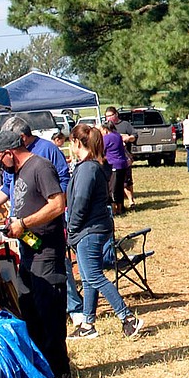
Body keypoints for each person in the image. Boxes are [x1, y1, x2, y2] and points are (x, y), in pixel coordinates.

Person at [0, 130, 70, 378]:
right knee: (29, 308)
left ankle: (60, 368)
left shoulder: (41, 167)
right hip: (28, 251)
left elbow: (57, 205)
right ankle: (42, 367)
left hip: (46, 251)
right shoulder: (18, 172)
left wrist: (25, 223)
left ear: (10, 153)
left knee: (49, 310)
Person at [67, 124, 144, 339]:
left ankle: (128, 318)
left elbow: (80, 201)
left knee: (94, 276)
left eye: (71, 142)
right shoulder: (95, 166)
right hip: (94, 228)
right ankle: (87, 324)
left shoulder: (88, 168)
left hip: (89, 230)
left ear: (77, 142)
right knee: (88, 276)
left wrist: (72, 227)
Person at [104, 107, 136, 212]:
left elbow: (134, 135)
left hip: (119, 161)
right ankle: (120, 207)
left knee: (121, 184)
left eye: (110, 116)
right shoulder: (115, 135)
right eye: (107, 116)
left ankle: (124, 204)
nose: (108, 118)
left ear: (116, 114)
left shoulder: (124, 125)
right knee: (119, 186)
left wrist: (128, 138)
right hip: (120, 161)